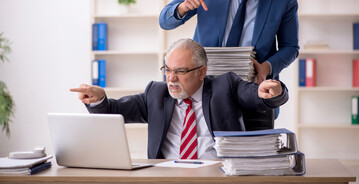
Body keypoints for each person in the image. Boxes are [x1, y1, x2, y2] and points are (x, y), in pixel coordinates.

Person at [70, 38, 289, 159]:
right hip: (168, 177)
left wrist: (271, 92)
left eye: (181, 71)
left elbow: (255, 95)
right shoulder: (156, 93)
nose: (171, 78)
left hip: (216, 177)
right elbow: (114, 110)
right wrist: (98, 99)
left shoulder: (225, 86)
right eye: (167, 69)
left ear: (202, 72)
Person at [159, 0, 299, 84]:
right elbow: (164, 21)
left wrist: (267, 68)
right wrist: (182, 8)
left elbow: (290, 47)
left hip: (253, 86)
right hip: (205, 84)